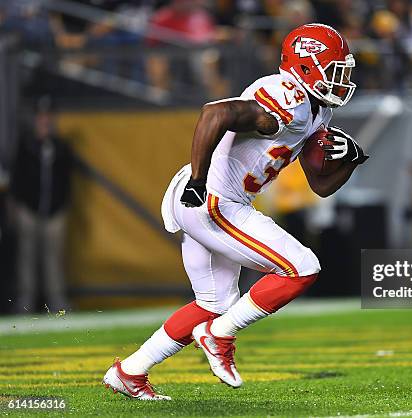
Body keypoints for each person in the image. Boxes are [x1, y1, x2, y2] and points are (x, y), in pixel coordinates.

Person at [103, 23, 368, 400]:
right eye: (334, 70)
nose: (340, 81)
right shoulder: (288, 99)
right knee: (302, 267)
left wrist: (353, 160)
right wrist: (199, 180)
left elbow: (320, 186)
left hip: (210, 198)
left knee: (214, 303)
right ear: (307, 67)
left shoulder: (315, 110)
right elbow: (214, 113)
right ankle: (219, 334)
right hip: (211, 200)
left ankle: (130, 372)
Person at [10, 96, 73, 313]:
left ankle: (56, 303)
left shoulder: (61, 147)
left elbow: (66, 180)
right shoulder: (27, 144)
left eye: (48, 116)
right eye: (41, 116)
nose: (45, 121)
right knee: (26, 259)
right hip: (29, 210)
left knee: (53, 260)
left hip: (54, 211)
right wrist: (18, 205)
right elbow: (17, 178)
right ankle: (25, 303)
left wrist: (62, 205)